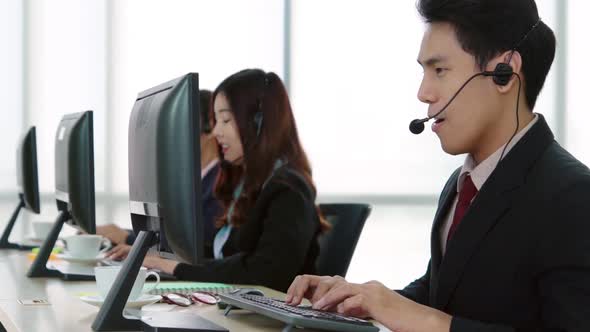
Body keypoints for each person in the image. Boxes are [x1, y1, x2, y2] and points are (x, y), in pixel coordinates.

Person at [285, 0, 590, 331]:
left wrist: (428, 320)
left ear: (504, 73)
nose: (423, 93)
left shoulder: (573, 195)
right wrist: (357, 299)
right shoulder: (461, 184)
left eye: (439, 70)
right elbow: (440, 295)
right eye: (424, 71)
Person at [142, 69, 329, 292]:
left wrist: (179, 269)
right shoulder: (250, 185)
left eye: (226, 120)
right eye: (215, 120)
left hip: (269, 320)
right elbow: (226, 258)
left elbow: (266, 273)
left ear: (259, 123)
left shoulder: (288, 188)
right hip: (238, 305)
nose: (216, 131)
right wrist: (161, 257)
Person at [100, 89, 222, 258]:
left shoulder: (222, 181)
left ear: (210, 128)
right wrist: (121, 235)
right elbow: (170, 236)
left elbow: (199, 245)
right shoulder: (191, 180)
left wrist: (128, 238)